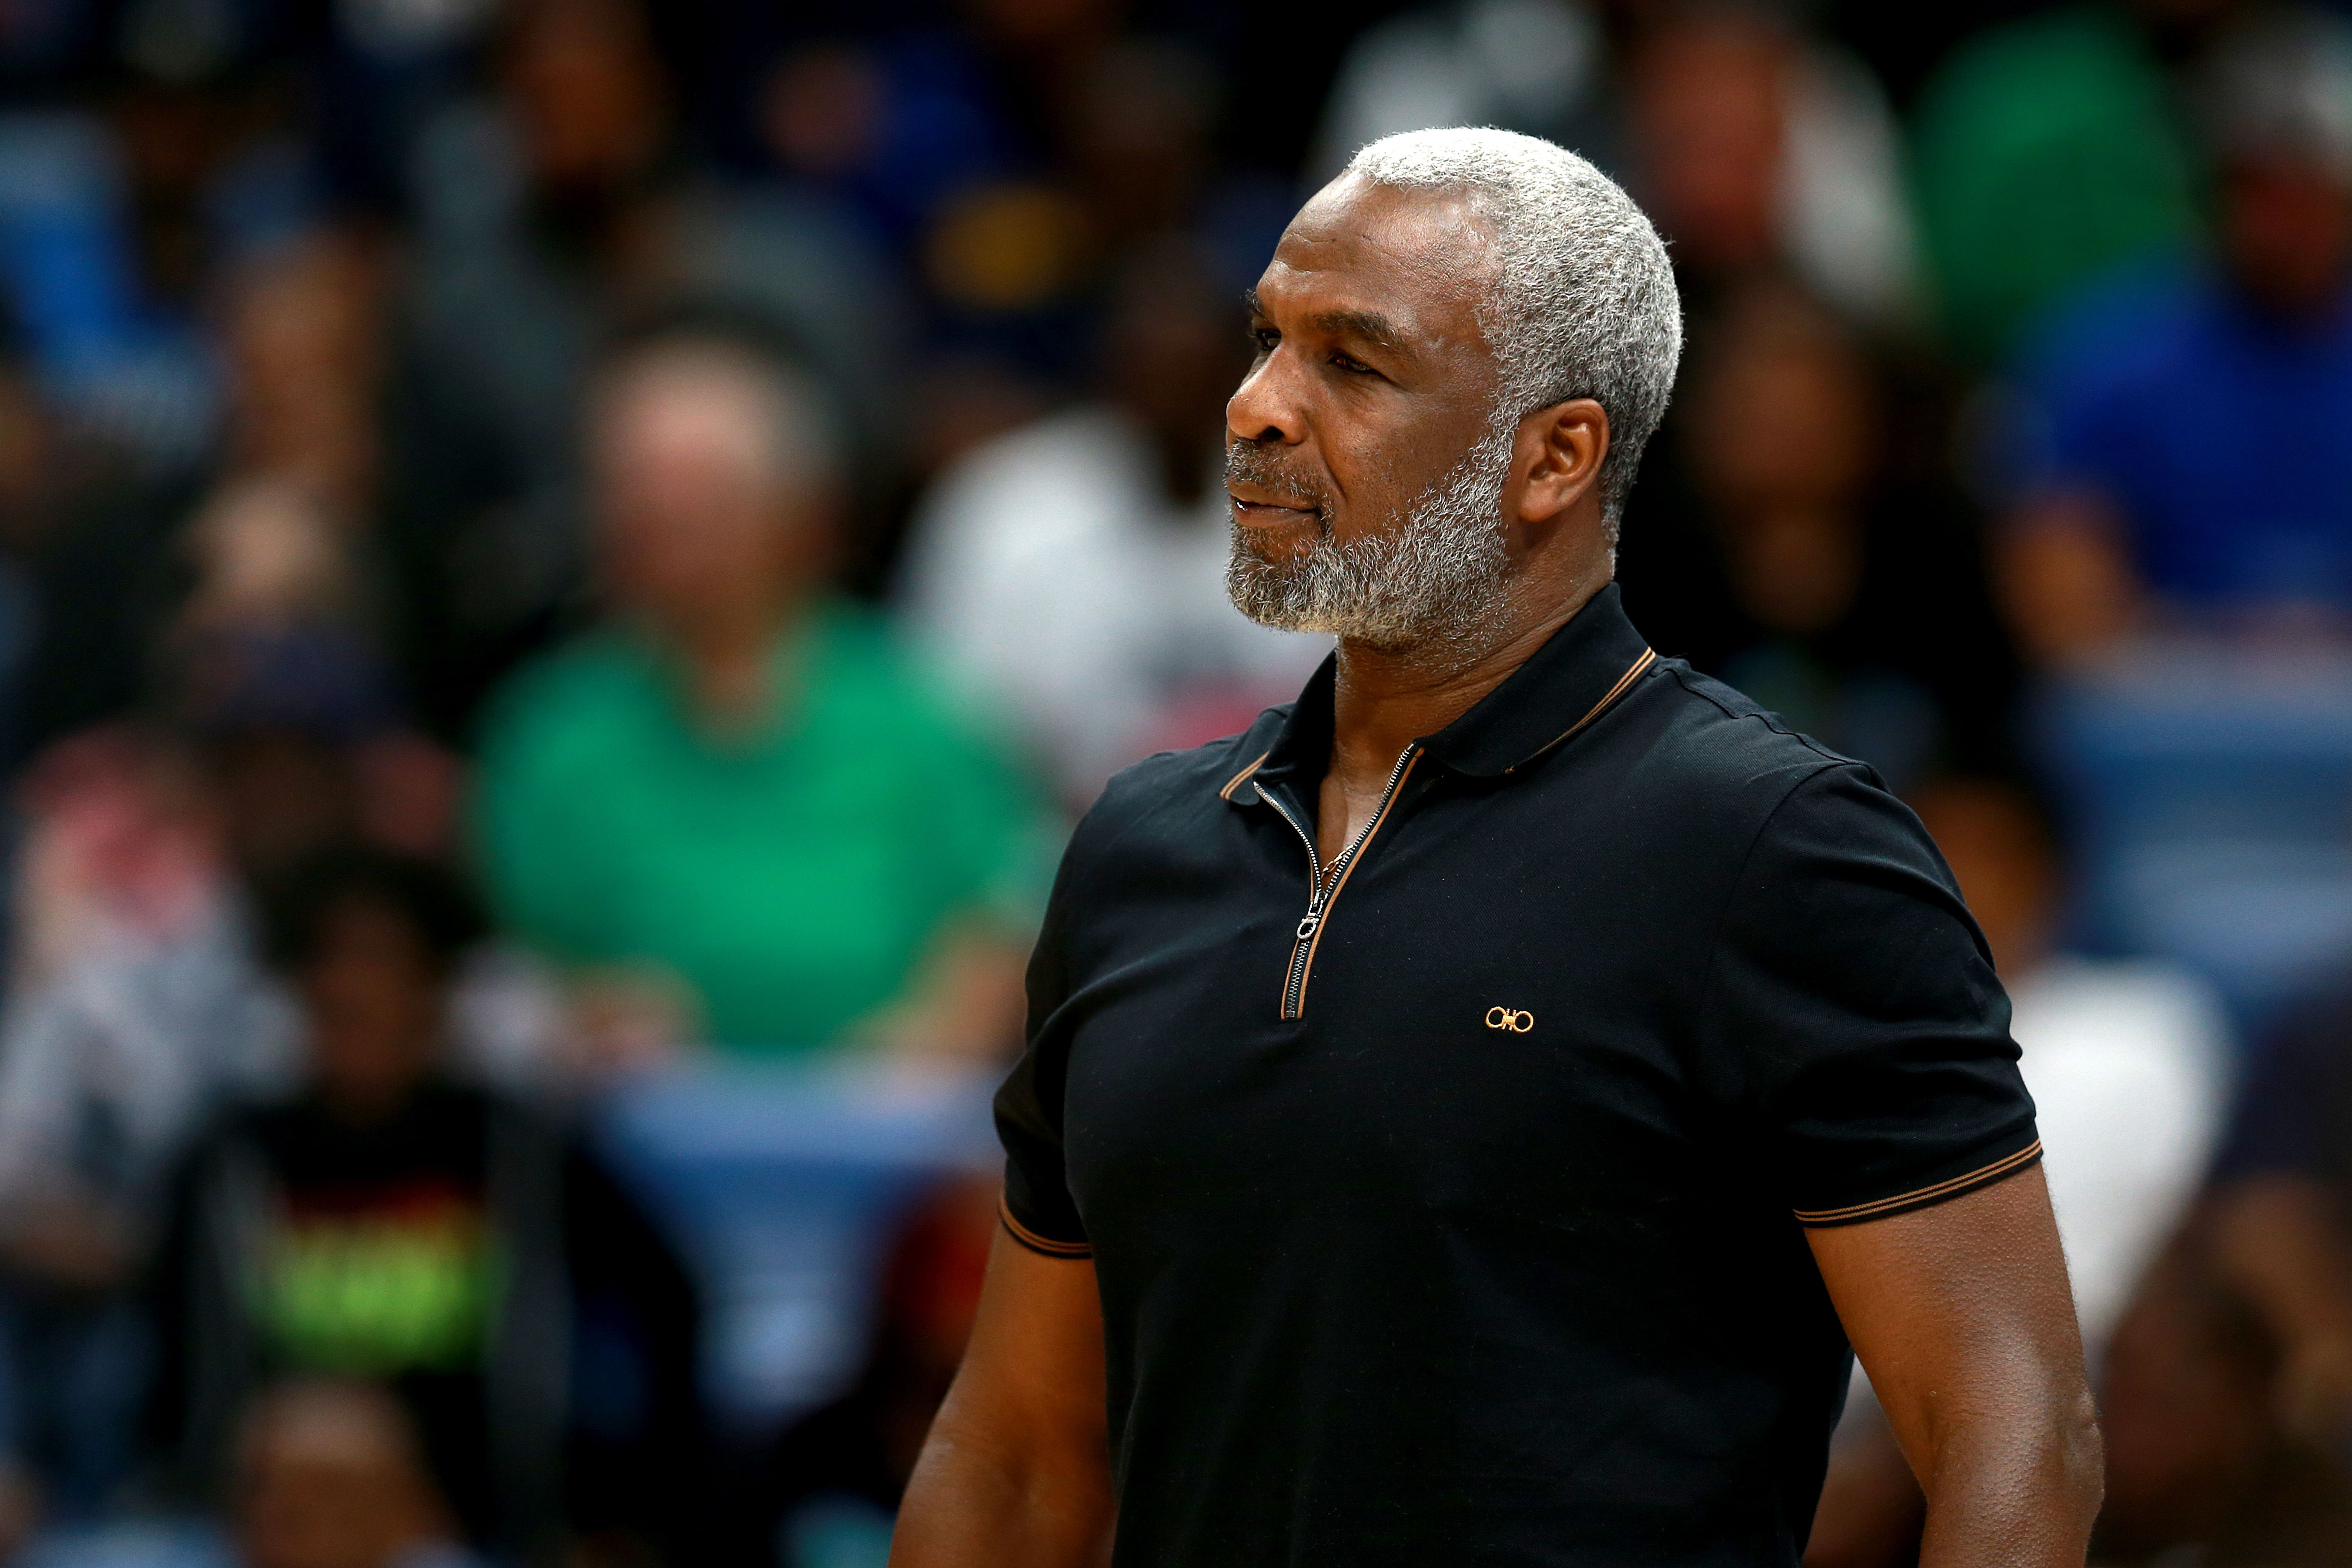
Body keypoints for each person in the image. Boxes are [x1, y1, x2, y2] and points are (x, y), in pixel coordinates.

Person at [891, 128, 2101, 1567]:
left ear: (1555, 457)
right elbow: (1021, 1454)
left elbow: (2014, 1435)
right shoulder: (1140, 848)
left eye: (1354, 361)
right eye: (1268, 337)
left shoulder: (1776, 849)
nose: (1256, 406)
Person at [474, 326, 1053, 1060]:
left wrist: (928, 1041)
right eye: (638, 501)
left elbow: (997, 923)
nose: (668, 536)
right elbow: (530, 966)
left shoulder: (922, 714)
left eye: (704, 504)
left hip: (892, 1139)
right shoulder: (551, 733)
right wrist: (587, 1013)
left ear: (800, 516)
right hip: (630, 1142)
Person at [144, 848, 705, 1563]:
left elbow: (672, 1298)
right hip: (264, 1523)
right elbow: (176, 1364)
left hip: (480, 1522)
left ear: (438, 989)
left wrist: (628, 1513)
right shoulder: (231, 1160)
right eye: (328, 963)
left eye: (385, 964)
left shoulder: (523, 1154)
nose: (354, 988)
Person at [1804, 777, 2227, 1567]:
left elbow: (2101, 1282)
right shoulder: (1824, 1035)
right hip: (1832, 1418)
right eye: (1932, 854)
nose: (1957, 881)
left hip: (2051, 1409)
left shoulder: (2136, 1027)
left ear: (2049, 877)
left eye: (1985, 855)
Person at [898, 240, 1328, 807]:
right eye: (1148, 369)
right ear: (1107, 370)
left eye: (1194, 374)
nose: (1172, 398)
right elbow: (944, 733)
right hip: (1052, 846)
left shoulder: (1321, 504)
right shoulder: (1006, 508)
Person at [1996, 6, 2352, 662]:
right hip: (2173, 729)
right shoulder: (2107, 355)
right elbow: (2060, 597)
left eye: (2303, 191)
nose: (2276, 222)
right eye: (2253, 188)